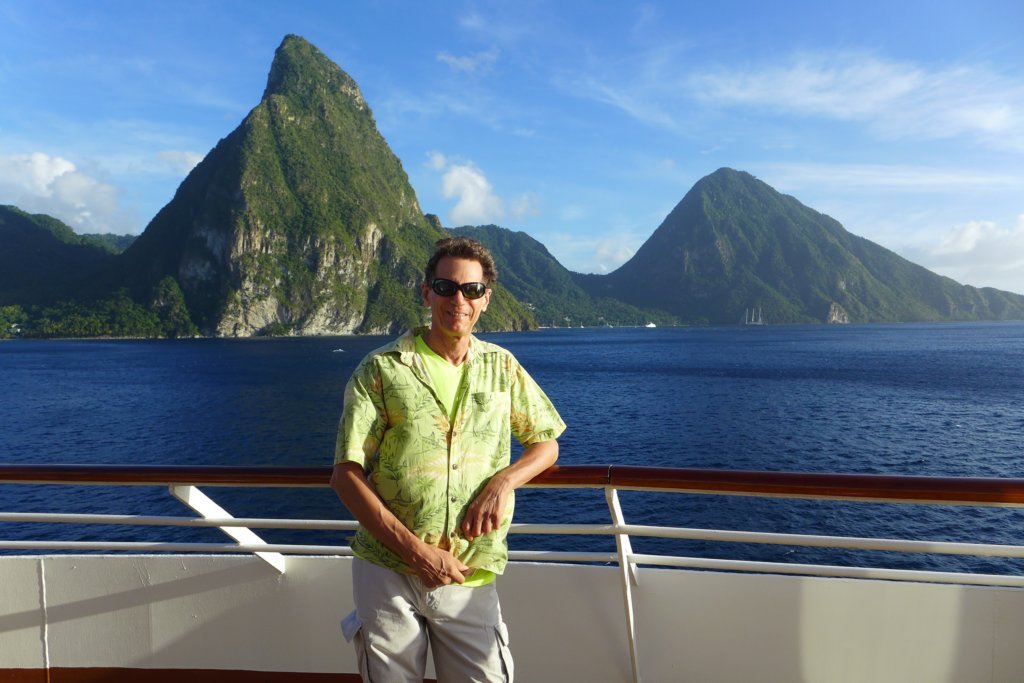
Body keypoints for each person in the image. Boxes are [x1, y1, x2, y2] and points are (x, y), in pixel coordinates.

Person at [332, 236, 565, 682]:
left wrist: (502, 483)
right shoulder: (382, 369)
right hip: (388, 572)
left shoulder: (501, 368)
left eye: (471, 290)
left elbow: (546, 443)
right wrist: (417, 552)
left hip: (469, 573)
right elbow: (346, 475)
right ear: (427, 293)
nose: (459, 300)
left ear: (485, 299)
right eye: (446, 288)